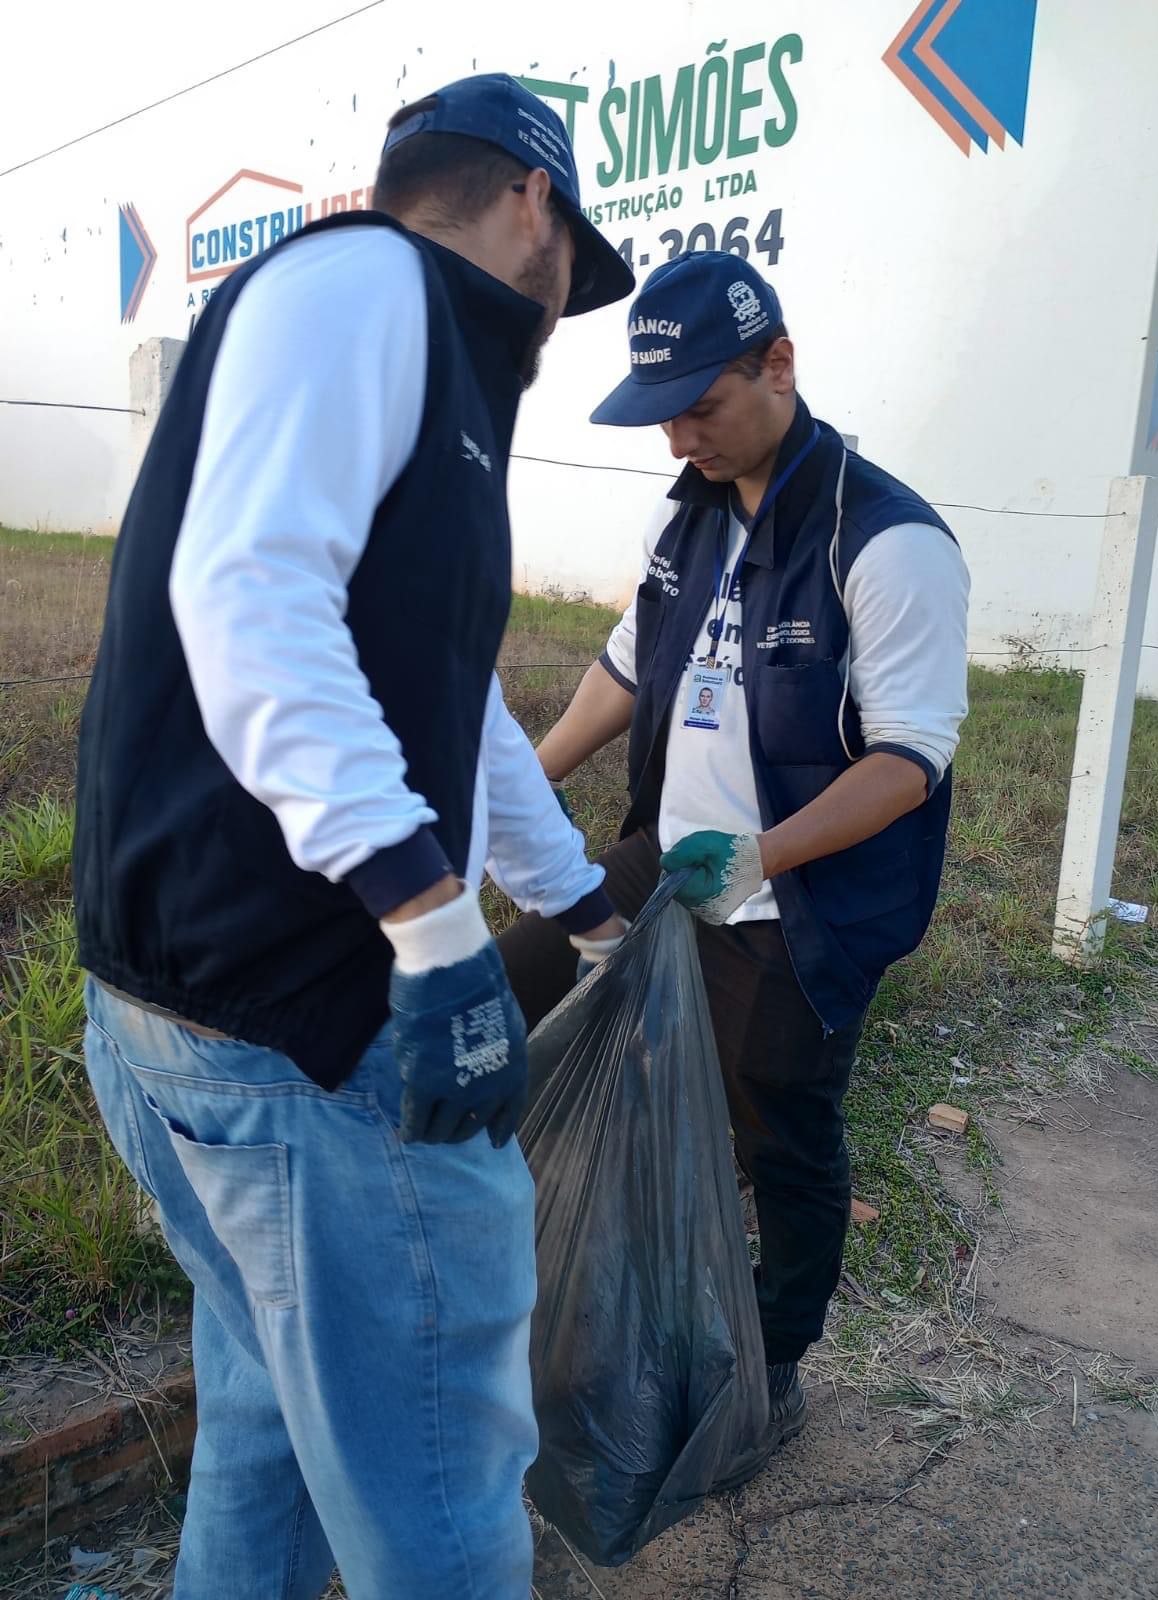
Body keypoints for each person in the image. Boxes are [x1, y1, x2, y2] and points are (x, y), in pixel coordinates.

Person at [73, 75, 631, 1599]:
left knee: (267, 1425)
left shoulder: (400, 358)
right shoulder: (371, 281)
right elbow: (249, 604)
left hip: (199, 1028)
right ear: (533, 201)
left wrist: (576, 900)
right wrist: (440, 936)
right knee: (442, 1503)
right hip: (310, 1042)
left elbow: (457, 716)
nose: (567, 298)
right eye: (575, 257)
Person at [499, 251, 970, 1466]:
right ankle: (545, 1294)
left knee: (779, 1131)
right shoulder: (692, 511)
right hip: (666, 857)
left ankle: (769, 1363)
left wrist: (760, 856)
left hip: (795, 903)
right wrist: (524, 784)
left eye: (700, 410)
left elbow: (909, 760)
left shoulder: (885, 538)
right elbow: (624, 664)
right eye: (661, 417)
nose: (676, 443)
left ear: (780, 364)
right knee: (500, 1004)